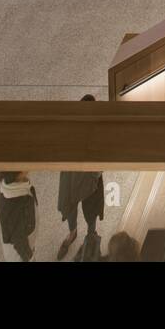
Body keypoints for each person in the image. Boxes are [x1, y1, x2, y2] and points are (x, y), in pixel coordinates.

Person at [56, 94, 106, 260]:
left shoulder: (98, 130)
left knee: (90, 209)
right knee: (70, 205)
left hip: (89, 177)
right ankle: (73, 233)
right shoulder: (71, 125)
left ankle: (91, 235)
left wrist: (95, 174)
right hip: (72, 173)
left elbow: (102, 156)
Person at [0, 171, 38, 262]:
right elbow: (18, 241)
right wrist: (30, 258)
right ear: (17, 174)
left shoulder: (15, 185)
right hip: (20, 256)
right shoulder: (13, 207)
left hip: (27, 243)